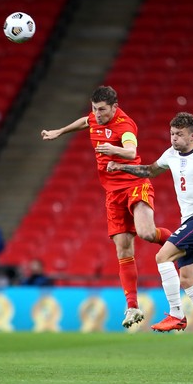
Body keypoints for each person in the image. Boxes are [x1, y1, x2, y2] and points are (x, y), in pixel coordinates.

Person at [41, 85, 171, 328]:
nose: (97, 114)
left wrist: (114, 150)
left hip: (134, 183)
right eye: (95, 109)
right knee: (123, 249)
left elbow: (132, 152)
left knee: (145, 233)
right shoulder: (95, 117)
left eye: (102, 110)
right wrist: (60, 131)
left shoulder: (125, 125)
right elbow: (85, 122)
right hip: (112, 193)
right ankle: (132, 306)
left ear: (114, 107)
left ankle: (180, 241)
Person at [107, 111, 193, 360]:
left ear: (192, 135)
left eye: (179, 135)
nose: (174, 139)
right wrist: (121, 166)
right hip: (190, 221)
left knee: (163, 256)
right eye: (172, 134)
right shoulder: (171, 154)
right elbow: (151, 171)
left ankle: (176, 314)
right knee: (187, 279)